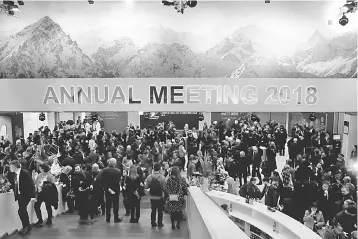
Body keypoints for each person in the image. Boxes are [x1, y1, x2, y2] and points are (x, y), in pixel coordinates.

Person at [7, 160, 35, 236]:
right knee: (22, 210)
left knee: (21, 211)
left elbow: (31, 184)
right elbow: (16, 183)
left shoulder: (25, 173)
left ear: (14, 167)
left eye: (10, 167)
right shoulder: (14, 174)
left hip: (26, 195)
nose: (10, 168)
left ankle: (26, 226)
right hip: (19, 195)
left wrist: (33, 196)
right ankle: (27, 226)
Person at [96, 158, 123, 223]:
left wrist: (105, 187)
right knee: (116, 204)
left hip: (107, 189)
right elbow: (119, 180)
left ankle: (108, 218)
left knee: (108, 204)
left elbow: (98, 178)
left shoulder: (104, 170)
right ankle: (116, 218)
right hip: (116, 189)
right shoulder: (118, 171)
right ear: (115, 163)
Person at [145, 163, 166, 228]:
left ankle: (153, 222)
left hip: (152, 196)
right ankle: (160, 222)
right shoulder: (162, 178)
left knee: (153, 210)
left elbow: (146, 187)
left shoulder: (149, 177)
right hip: (160, 196)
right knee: (160, 210)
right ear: (160, 169)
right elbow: (164, 188)